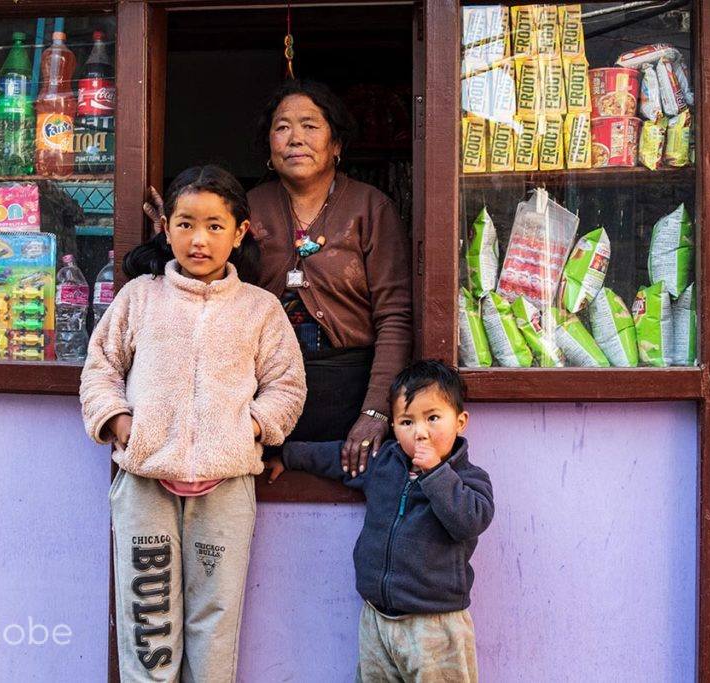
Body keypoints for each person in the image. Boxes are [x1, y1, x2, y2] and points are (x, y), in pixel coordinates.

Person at [81, 165, 306, 681]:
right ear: (167, 228)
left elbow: (287, 388)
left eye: (214, 225)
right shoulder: (140, 298)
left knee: (215, 620)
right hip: (145, 482)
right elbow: (101, 369)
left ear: (239, 232)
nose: (198, 239)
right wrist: (120, 424)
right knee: (147, 622)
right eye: (185, 224)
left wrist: (246, 430)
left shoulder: (260, 310)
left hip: (225, 487)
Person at [146, 79, 412, 477]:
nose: (295, 138)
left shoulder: (371, 209)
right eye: (282, 126)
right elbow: (206, 287)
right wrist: (168, 242)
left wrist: (376, 411)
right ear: (269, 145)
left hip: (347, 396)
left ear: (337, 144)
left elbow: (395, 318)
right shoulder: (245, 208)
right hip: (257, 399)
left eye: (310, 125)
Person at [267, 360, 494, 682]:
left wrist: (436, 473)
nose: (420, 432)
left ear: (460, 422)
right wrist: (287, 456)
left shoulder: (468, 479)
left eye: (433, 418)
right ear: (394, 427)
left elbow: (470, 521)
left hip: (436, 624)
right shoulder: (384, 463)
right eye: (406, 422)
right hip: (377, 617)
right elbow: (338, 458)